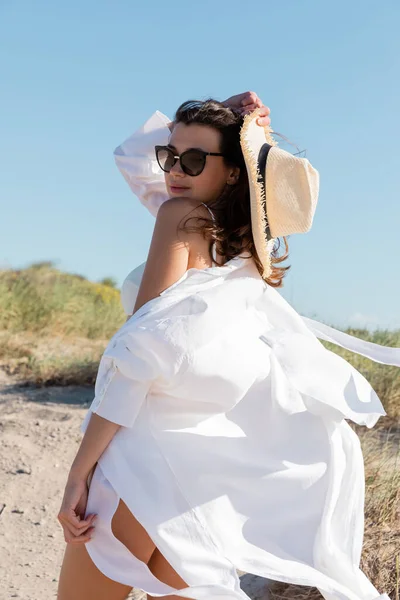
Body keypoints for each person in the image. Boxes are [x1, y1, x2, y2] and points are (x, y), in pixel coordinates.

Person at [56, 92, 399, 600]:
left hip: (140, 465)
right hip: (198, 486)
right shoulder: (242, 251)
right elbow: (138, 160)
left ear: (235, 171)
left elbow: (137, 357)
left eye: (193, 160)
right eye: (169, 156)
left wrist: (78, 473)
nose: (174, 168)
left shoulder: (178, 216)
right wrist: (237, 127)